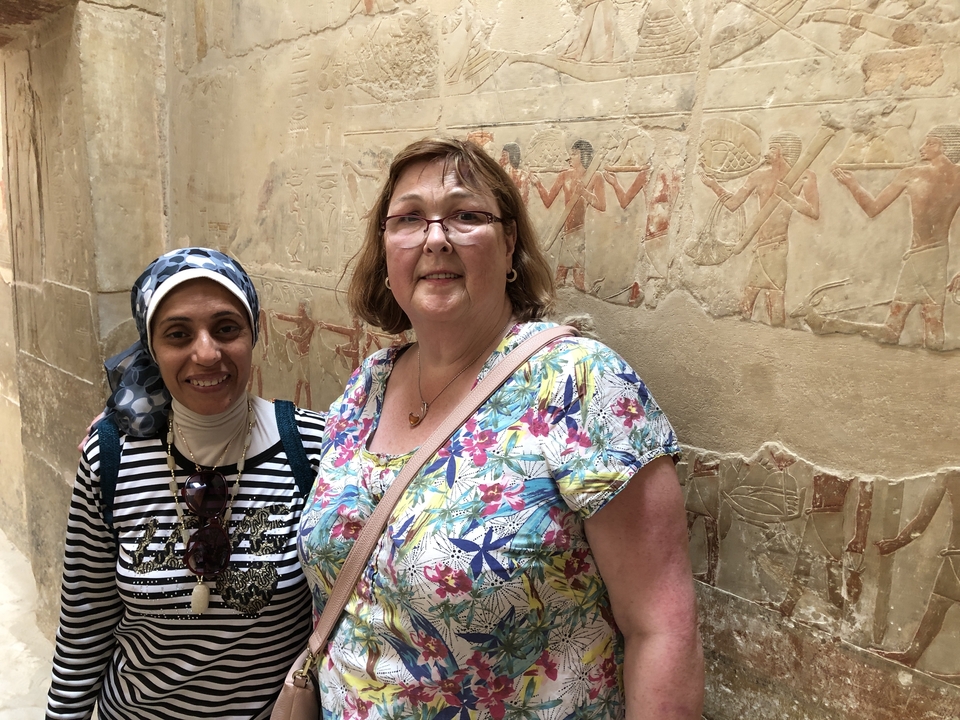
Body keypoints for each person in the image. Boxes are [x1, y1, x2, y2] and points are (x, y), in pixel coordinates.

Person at [298, 138, 704, 719]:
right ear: (386, 252)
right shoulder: (369, 385)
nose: (435, 238)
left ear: (509, 244)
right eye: (409, 219)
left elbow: (662, 626)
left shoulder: (580, 384)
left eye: (466, 216)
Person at [46, 248, 326, 720]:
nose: (206, 353)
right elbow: (84, 625)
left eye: (226, 328)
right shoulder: (111, 457)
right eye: (178, 334)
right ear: (151, 346)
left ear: (253, 331)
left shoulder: (314, 449)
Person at [815, 127, 960, 350]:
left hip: (920, 257)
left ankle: (834, 324)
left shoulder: (911, 174)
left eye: (930, 143)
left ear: (945, 147)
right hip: (938, 255)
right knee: (933, 324)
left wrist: (853, 185)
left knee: (893, 328)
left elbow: (873, 208)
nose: (922, 148)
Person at [698, 132, 820, 326]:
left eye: (773, 148)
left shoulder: (804, 176)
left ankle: (777, 339)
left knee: (774, 297)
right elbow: (733, 203)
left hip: (777, 246)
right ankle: (743, 334)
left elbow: (814, 212)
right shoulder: (758, 176)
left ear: (785, 151)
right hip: (759, 246)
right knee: (748, 299)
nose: (768, 153)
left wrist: (789, 197)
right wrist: (714, 185)